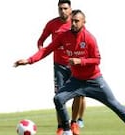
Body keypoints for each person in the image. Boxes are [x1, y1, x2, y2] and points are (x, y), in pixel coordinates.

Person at [14, 9, 125, 135]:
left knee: (115, 105)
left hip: (94, 80)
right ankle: (67, 130)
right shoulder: (64, 36)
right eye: (72, 21)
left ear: (83, 22)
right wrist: (29, 60)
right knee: (58, 99)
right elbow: (47, 49)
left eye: (77, 21)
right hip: (76, 81)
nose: (74, 24)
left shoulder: (89, 38)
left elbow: (97, 60)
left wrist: (80, 61)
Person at [36, 0, 85, 134]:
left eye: (65, 8)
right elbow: (41, 41)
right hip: (59, 66)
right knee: (59, 96)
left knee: (79, 94)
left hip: (75, 66)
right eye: (60, 9)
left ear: (70, 9)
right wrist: (41, 51)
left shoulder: (76, 23)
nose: (62, 11)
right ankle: (61, 126)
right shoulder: (52, 24)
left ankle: (74, 123)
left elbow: (84, 41)